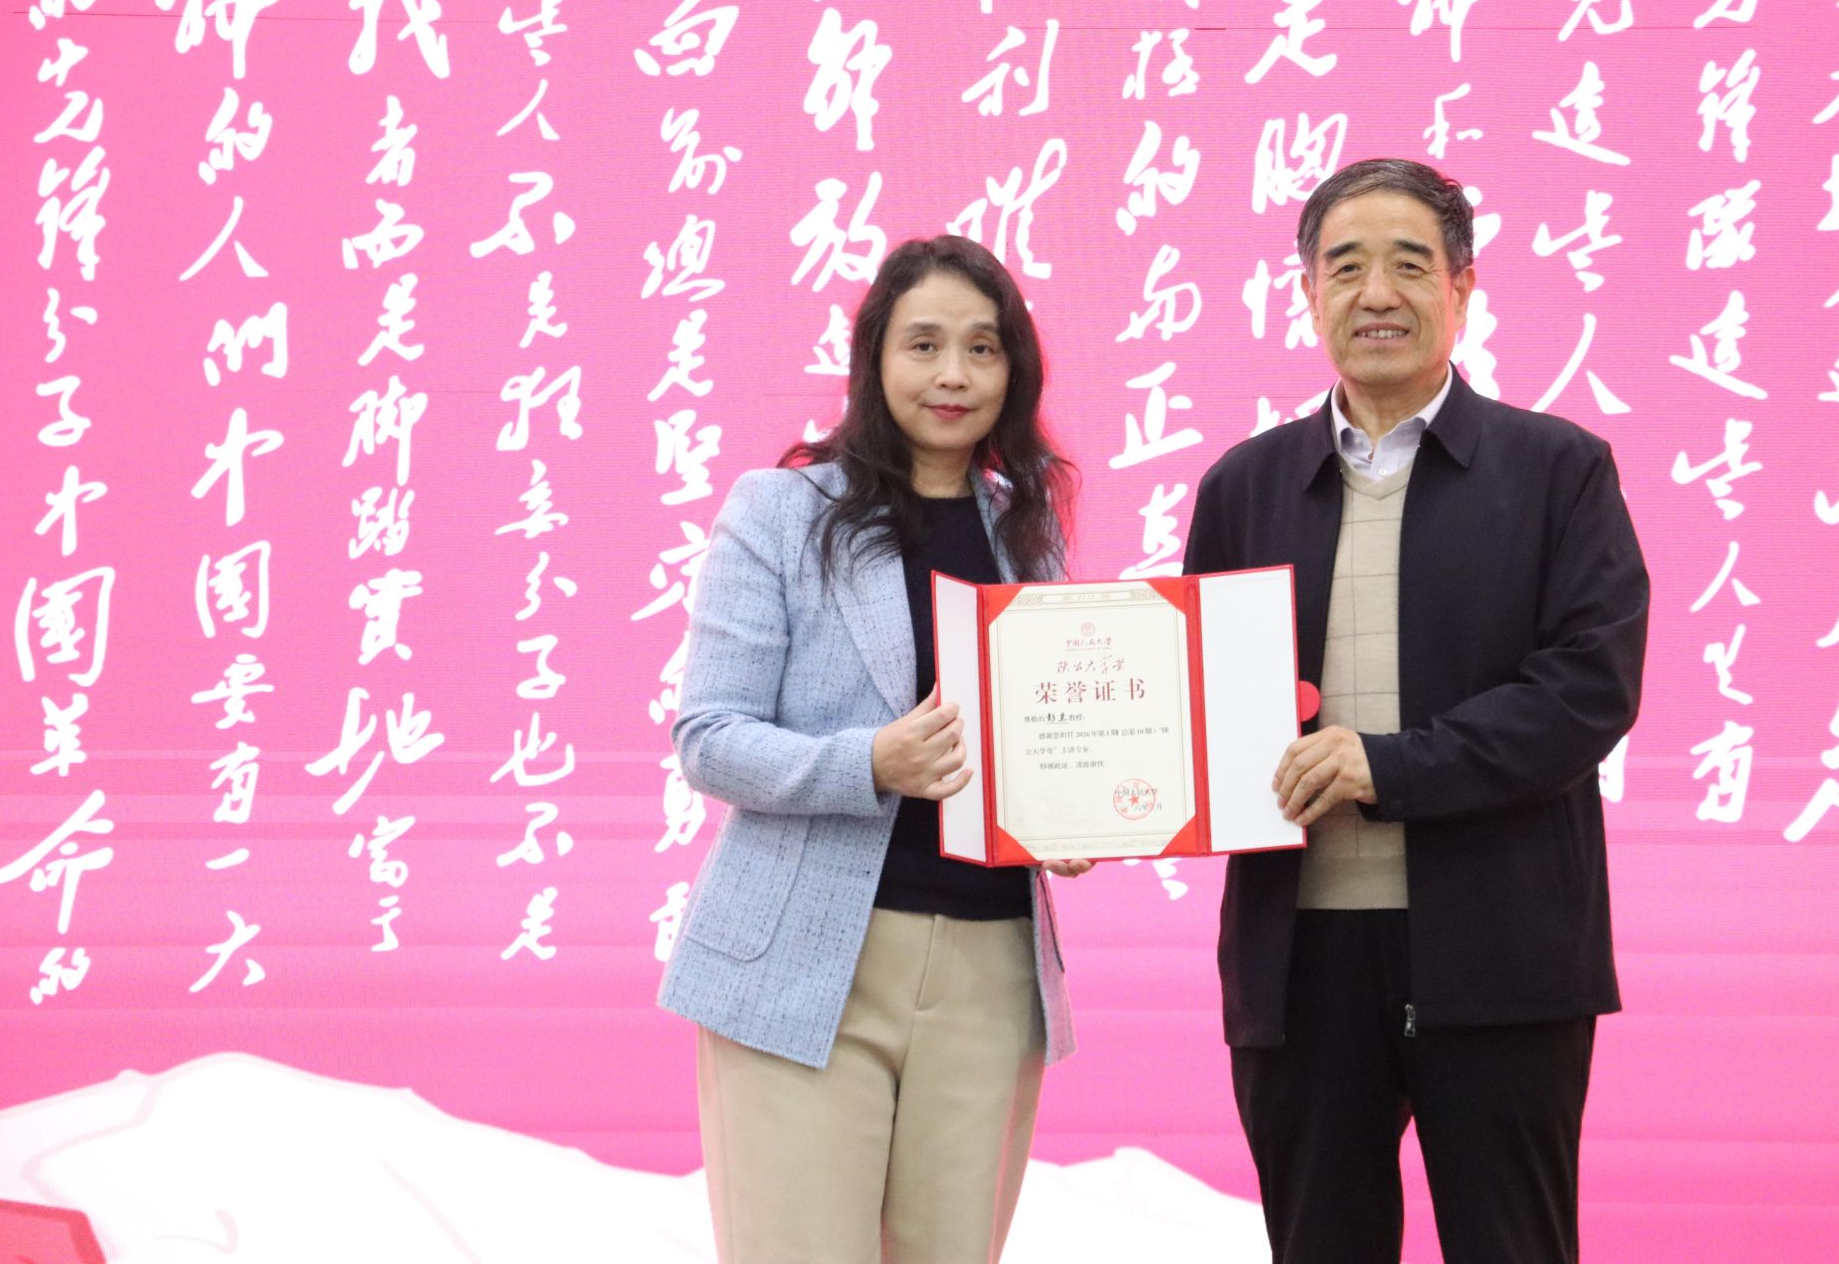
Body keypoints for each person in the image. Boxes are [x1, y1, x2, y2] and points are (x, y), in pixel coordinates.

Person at [1183, 159, 1649, 1264]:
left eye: (1408, 264)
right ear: (1308, 293)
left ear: (1461, 287)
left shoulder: (1557, 470)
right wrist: (1089, 805)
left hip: (1502, 951)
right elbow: (1193, 705)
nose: (1376, 294)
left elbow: (1587, 689)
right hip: (1299, 962)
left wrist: (1387, 767)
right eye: (1345, 267)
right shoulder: (1244, 486)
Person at [657, 235, 1089, 1263]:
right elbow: (710, 736)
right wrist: (867, 764)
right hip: (805, 966)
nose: (953, 375)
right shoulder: (780, 511)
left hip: (991, 969)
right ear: (875, 358)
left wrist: (1071, 812)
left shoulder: (1026, 534)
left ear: (1013, 371)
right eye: (923, 345)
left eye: (982, 348)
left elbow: (1044, 734)